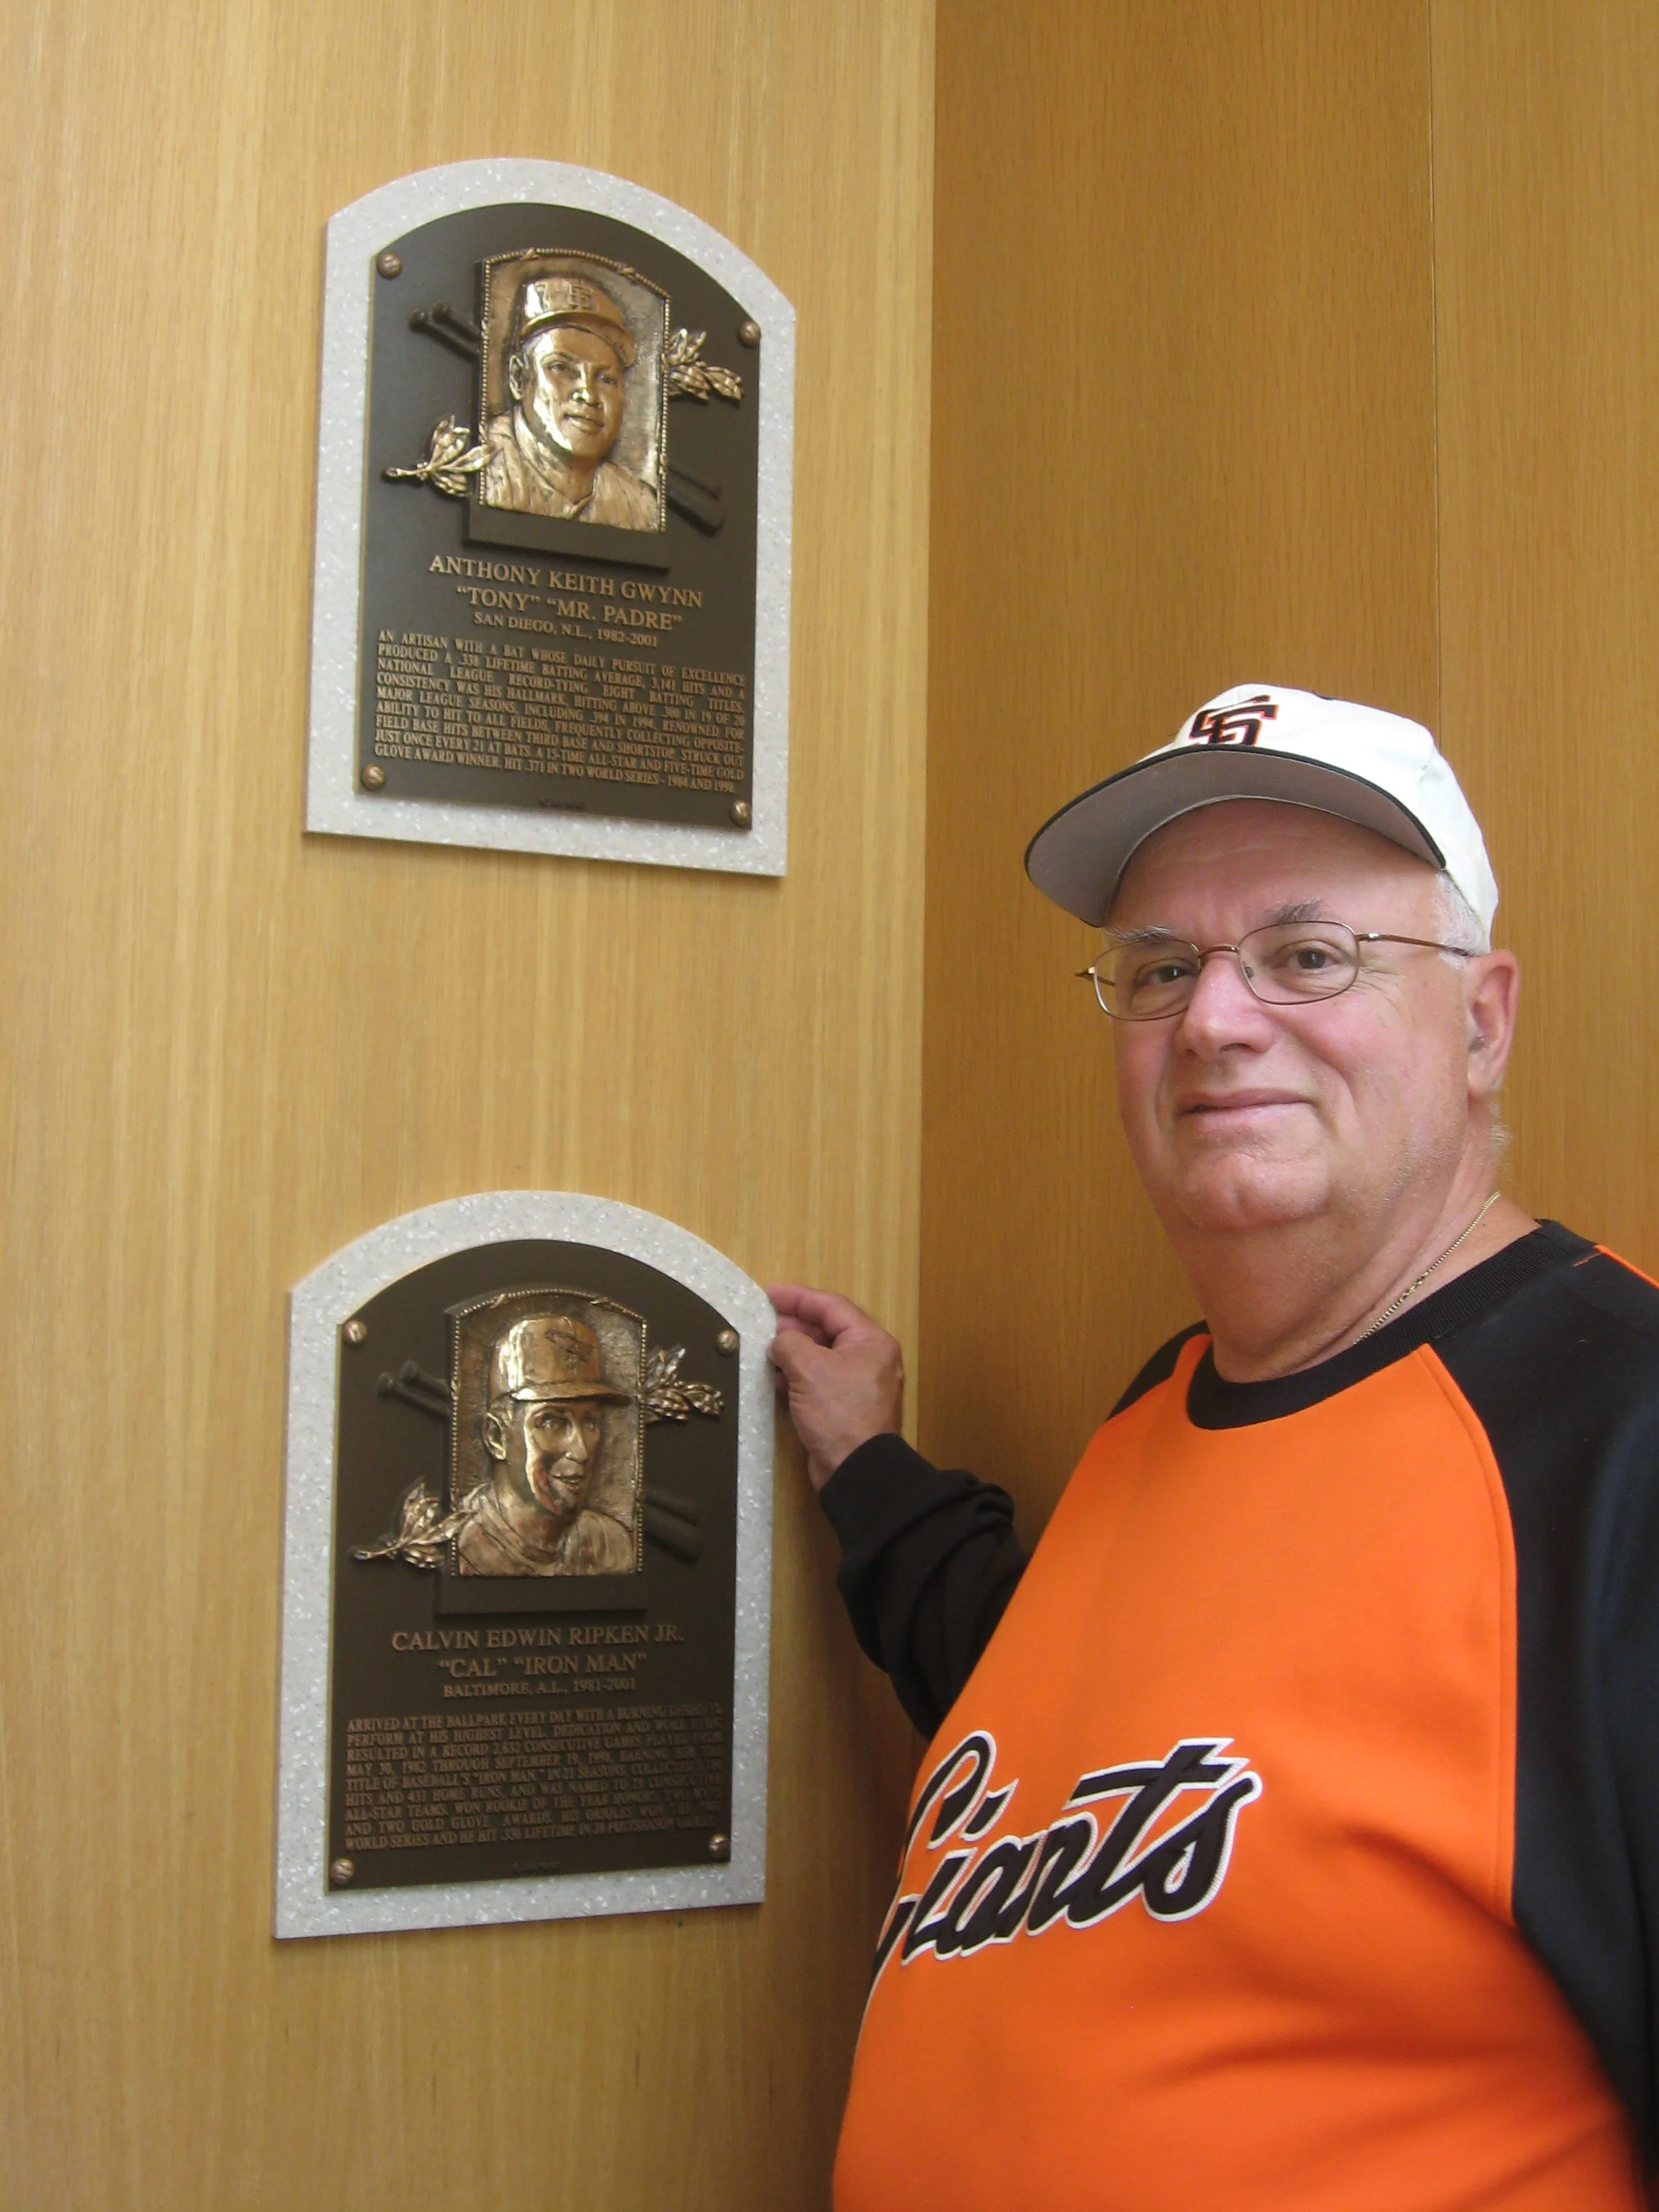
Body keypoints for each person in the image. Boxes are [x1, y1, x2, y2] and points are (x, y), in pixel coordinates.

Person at [769, 682, 1659, 2210]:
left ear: (1481, 1021)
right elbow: (1074, 1731)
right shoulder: (1158, 1412)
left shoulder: (1615, 1434)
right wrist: (868, 1469)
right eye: (1161, 968)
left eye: (1307, 955)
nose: (1214, 1020)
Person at [457, 1311, 637, 1575]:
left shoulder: (611, 1546)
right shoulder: (461, 1548)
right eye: (552, 1423)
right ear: (497, 1437)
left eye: (590, 1423)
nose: (581, 1451)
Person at [479, 272, 659, 529]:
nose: (589, 394)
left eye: (606, 380)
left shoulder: (639, 507)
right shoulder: (479, 471)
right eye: (561, 368)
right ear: (519, 378)